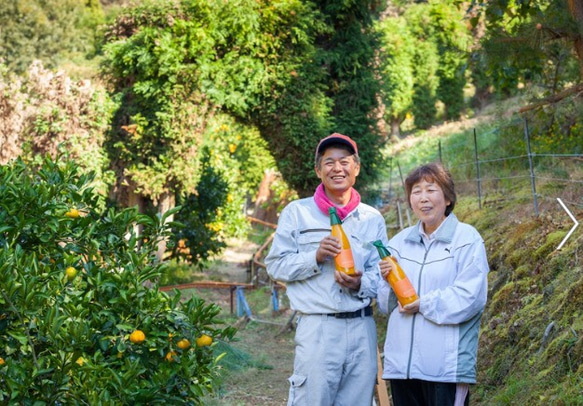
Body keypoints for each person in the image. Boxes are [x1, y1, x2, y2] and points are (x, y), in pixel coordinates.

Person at [265, 133, 389, 406]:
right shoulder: (297, 213)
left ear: (356, 168)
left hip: (362, 326)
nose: (337, 168)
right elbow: (275, 265)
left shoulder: (372, 218)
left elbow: (381, 275)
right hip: (318, 325)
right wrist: (315, 257)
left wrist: (359, 283)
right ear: (318, 170)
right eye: (329, 162)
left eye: (344, 162)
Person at [377, 162, 489, 406]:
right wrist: (386, 280)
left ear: (448, 198)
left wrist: (422, 304)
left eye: (431, 190)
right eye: (416, 192)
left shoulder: (467, 239)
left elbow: (470, 298)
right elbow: (386, 306)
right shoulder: (399, 243)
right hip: (402, 368)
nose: (423, 198)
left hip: (445, 368)